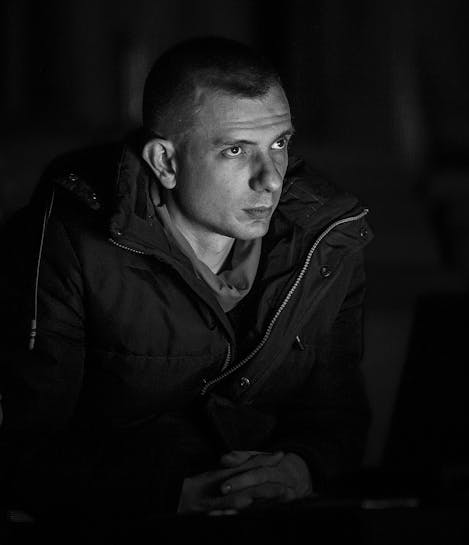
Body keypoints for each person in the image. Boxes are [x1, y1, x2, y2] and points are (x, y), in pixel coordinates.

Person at [0, 36, 373, 525]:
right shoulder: (66, 241)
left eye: (279, 143)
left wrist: (300, 469)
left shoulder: (325, 239)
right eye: (236, 150)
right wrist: (168, 494)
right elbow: (20, 450)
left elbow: (337, 416)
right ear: (166, 163)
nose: (271, 179)